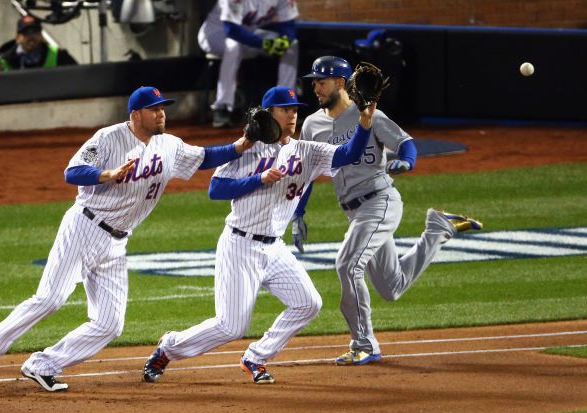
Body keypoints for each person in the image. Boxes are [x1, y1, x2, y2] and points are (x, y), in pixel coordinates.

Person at [0, 86, 254, 392]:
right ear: (135, 114)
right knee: (51, 298)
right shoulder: (108, 138)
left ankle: (44, 364)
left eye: (162, 108)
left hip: (116, 243)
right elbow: (73, 171)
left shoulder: (169, 145)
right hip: (84, 227)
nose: (161, 114)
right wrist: (106, 175)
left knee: (109, 324)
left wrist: (242, 144)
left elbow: (205, 157)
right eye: (154, 109)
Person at [143, 86, 377, 385]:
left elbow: (349, 154)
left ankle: (257, 357)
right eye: (285, 109)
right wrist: (259, 179)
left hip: (274, 248)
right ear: (269, 114)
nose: (292, 115)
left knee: (309, 303)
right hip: (240, 244)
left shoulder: (307, 150)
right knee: (231, 326)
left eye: (295, 109)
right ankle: (168, 348)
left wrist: (365, 121)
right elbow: (216, 189)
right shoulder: (248, 149)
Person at [294, 56, 482, 366]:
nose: (314, 86)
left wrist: (407, 162)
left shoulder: (369, 115)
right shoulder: (312, 125)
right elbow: (306, 173)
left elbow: (406, 143)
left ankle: (364, 343)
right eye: (313, 81)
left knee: (347, 264)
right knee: (391, 287)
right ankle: (438, 229)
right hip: (354, 212)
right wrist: (298, 213)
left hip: (380, 201)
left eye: (320, 81)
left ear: (340, 84)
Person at [198, 0, 299, 128]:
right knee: (233, 46)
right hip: (215, 34)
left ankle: (286, 103)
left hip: (248, 36)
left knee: (292, 46)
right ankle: (222, 107)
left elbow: (288, 24)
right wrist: (263, 44)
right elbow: (232, 30)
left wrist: (285, 41)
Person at [0, 15, 77, 72]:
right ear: (18, 38)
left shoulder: (60, 56)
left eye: (35, 32)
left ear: (41, 36)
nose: (31, 37)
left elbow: (78, 77)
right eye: (26, 33)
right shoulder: (2, 63)